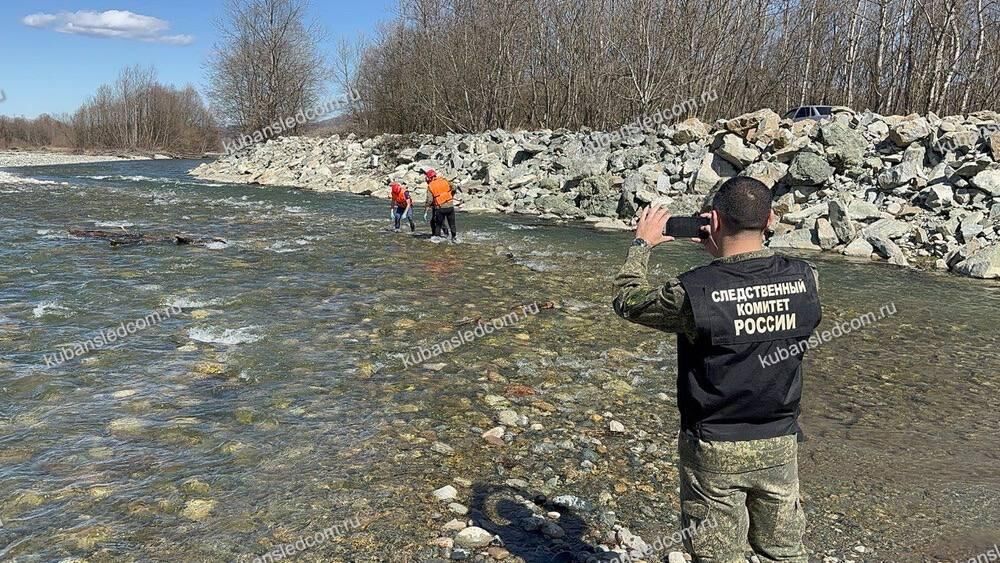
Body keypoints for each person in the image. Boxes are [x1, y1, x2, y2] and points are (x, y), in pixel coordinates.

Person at [612, 177, 822, 563]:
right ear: (770, 219)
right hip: (780, 440)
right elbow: (756, 280)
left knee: (718, 557)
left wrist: (642, 245)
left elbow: (628, 301)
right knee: (785, 553)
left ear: (713, 221)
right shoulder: (806, 277)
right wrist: (724, 248)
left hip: (714, 446)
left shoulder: (694, 291)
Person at [424, 169, 457, 242]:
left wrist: (426, 208)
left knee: (438, 225)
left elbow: (429, 200)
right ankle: (454, 238)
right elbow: (454, 187)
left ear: (429, 177)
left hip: (440, 208)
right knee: (452, 224)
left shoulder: (430, 185)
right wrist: (450, 195)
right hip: (450, 206)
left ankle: (437, 240)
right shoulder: (444, 180)